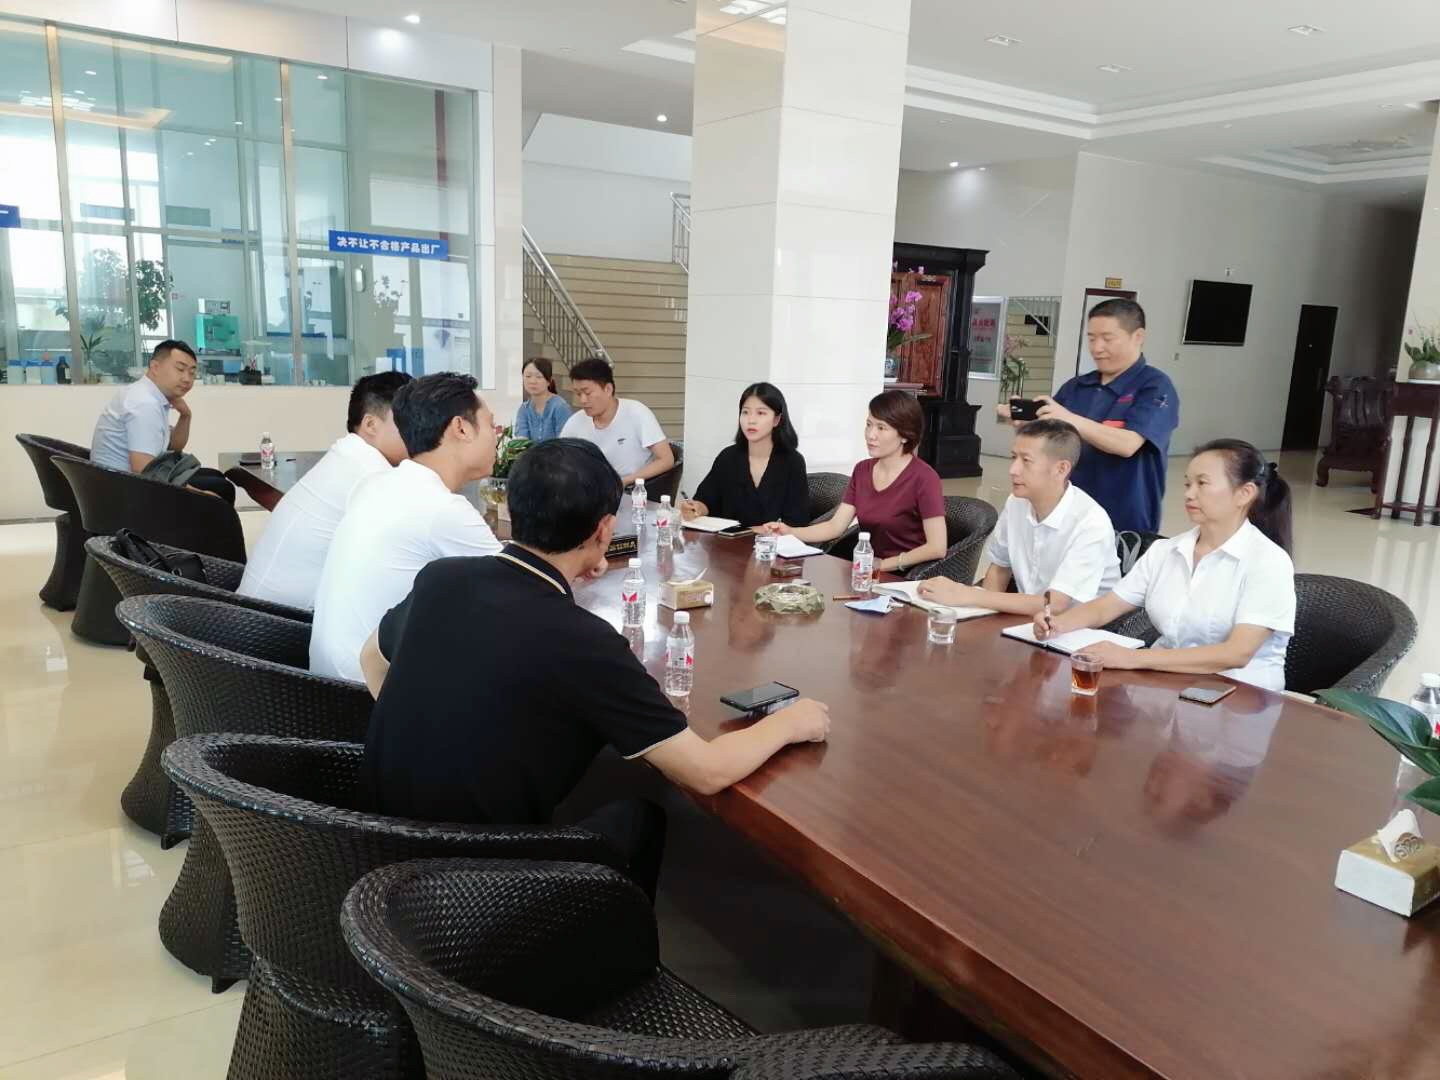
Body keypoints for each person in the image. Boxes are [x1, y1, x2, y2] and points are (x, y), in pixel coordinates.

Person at [357, 438, 831, 897]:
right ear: (604, 530)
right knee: (639, 818)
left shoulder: (443, 578)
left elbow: (370, 659)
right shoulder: (583, 641)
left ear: (513, 511)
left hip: (373, 848)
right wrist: (791, 722)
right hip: (478, 880)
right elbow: (706, 771)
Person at [1033, 439, 1295, 691]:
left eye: (1202, 483)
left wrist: (1133, 658)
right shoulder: (1166, 551)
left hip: (1240, 698)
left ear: (1244, 493)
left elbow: (1236, 653)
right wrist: (1059, 624)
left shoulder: (1268, 561)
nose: (1189, 494)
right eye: (1187, 484)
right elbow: (1106, 607)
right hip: (1166, 685)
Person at [309, 372, 502, 682]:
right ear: (461, 428)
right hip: (369, 691)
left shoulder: (376, 484)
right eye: (491, 425)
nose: (496, 436)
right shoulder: (442, 509)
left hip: (326, 679)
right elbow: (523, 592)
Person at [998, 299, 1178, 534]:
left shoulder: (1155, 387)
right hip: (1068, 514)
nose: (1096, 348)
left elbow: (1128, 444)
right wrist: (1025, 425)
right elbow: (1052, 442)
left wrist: (1070, 418)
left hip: (1124, 519)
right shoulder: (1077, 387)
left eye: (1107, 338)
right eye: (1091, 338)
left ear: (1138, 336)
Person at [238, 372, 412, 610]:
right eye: (409, 420)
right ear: (370, 424)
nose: (420, 430)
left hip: (252, 612)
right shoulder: (371, 473)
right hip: (279, 623)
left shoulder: (347, 454)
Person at [917, 419, 1119, 615]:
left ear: (1061, 469)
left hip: (1082, 627)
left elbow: (1055, 604)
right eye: (1014, 457)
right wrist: (982, 615)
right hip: (1029, 618)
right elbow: (999, 568)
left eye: (1026, 461)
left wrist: (969, 595)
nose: (1013, 470)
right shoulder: (1016, 503)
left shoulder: (1090, 522)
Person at [759, 390, 946, 575]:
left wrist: (883, 565)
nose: (870, 435)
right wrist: (790, 531)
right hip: (865, 570)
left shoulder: (924, 478)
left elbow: (937, 547)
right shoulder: (862, 470)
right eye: (868, 424)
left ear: (905, 435)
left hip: (908, 575)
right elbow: (835, 527)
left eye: (881, 428)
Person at [90, 339, 233, 501]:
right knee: (222, 489)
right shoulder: (145, 403)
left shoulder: (148, 395)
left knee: (216, 477)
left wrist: (185, 415)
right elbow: (144, 471)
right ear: (155, 367)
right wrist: (201, 495)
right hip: (127, 495)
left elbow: (174, 447)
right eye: (180, 369)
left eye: (192, 373)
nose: (187, 379)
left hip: (121, 484)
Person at [680, 382, 808, 527]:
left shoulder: (792, 461)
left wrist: (756, 532)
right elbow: (706, 500)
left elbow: (796, 521)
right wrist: (696, 508)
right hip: (725, 540)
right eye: (745, 412)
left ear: (776, 420)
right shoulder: (728, 457)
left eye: (760, 413)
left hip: (771, 541)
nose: (751, 420)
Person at [559, 356, 674, 487]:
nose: (583, 400)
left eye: (588, 393)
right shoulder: (576, 421)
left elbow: (666, 459)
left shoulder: (636, 412)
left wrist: (625, 481)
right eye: (578, 394)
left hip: (633, 489)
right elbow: (560, 461)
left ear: (608, 389)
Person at [512, 357, 571, 443]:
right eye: (528, 376)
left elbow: (565, 443)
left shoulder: (560, 407)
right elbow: (521, 441)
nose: (532, 381)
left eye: (539, 377)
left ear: (549, 381)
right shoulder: (524, 409)